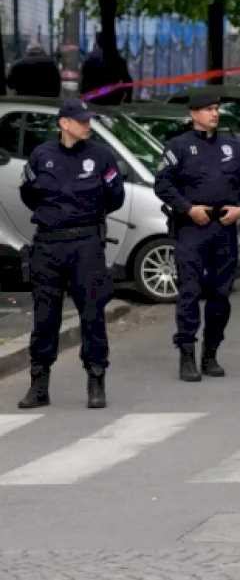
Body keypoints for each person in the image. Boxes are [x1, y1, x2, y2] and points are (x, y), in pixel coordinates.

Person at [17, 99, 125, 409]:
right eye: (81, 120)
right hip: (49, 245)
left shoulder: (101, 157)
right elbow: (29, 193)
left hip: (86, 244)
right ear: (64, 124)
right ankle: (39, 384)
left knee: (92, 314)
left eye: (88, 119)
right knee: (45, 317)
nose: (87, 124)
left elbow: (115, 196)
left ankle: (95, 379)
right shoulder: (42, 156)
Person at [154, 92, 240, 382]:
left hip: (223, 227)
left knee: (220, 295)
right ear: (193, 114)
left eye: (216, 109)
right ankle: (186, 352)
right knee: (189, 292)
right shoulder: (179, 146)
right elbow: (162, 184)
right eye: (209, 109)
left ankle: (211, 354)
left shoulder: (232, 146)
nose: (214, 114)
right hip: (191, 228)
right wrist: (187, 209)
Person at [80, 32, 133, 105]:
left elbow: (84, 80)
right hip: (113, 98)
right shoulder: (119, 60)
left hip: (94, 97)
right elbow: (127, 80)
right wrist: (128, 98)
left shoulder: (90, 59)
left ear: (98, 42)